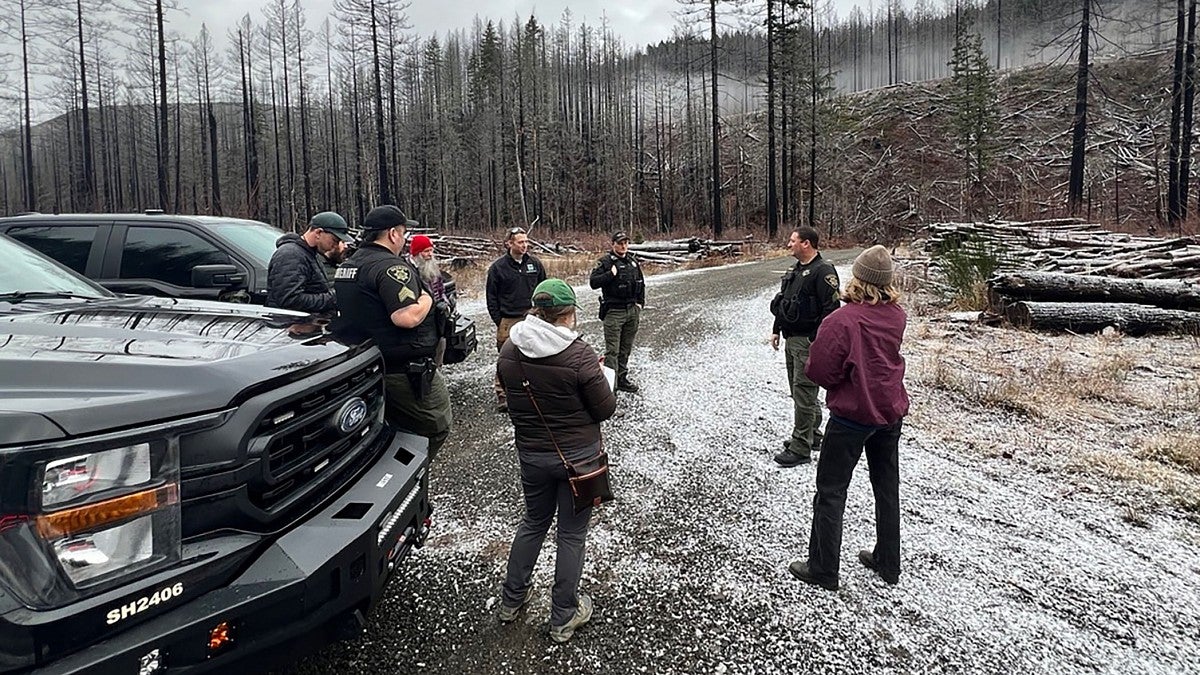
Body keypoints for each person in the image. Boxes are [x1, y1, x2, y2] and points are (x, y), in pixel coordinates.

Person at [495, 278, 617, 643]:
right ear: (566, 314)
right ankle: (563, 616)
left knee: (533, 522)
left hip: (532, 455)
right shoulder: (578, 354)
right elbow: (605, 408)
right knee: (571, 534)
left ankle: (511, 601)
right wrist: (596, 376)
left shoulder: (509, 349)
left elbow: (508, 398)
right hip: (578, 460)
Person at [787, 245, 910, 591]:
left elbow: (820, 370)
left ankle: (823, 568)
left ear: (858, 279)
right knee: (887, 488)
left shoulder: (842, 320)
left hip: (852, 417)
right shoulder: (896, 314)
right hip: (889, 413)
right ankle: (889, 561)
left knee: (831, 491)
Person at [332, 205, 453, 457]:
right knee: (435, 424)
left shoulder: (349, 265)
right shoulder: (391, 267)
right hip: (403, 370)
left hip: (366, 362)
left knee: (389, 427)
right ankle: (409, 476)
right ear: (393, 234)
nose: (405, 238)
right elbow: (406, 317)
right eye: (404, 233)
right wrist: (427, 299)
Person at [769, 226, 841, 467]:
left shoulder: (823, 271)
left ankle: (800, 447)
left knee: (804, 392)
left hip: (808, 341)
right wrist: (776, 329)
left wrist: (818, 341)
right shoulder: (795, 270)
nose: (789, 245)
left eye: (793, 241)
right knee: (799, 391)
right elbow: (783, 303)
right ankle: (813, 434)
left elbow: (831, 312)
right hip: (792, 339)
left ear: (806, 243)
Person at [486, 226, 547, 411]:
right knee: (507, 358)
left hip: (531, 317)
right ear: (509, 244)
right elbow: (491, 297)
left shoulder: (534, 264)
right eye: (520, 242)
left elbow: (543, 288)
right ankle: (503, 395)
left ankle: (534, 392)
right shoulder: (498, 267)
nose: (525, 245)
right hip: (508, 319)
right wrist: (499, 320)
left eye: (526, 241)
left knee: (534, 355)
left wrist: (541, 313)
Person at [588, 231, 646, 393]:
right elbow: (593, 283)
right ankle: (609, 385)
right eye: (620, 243)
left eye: (626, 243)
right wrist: (610, 274)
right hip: (614, 312)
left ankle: (621, 378)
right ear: (613, 244)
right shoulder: (605, 262)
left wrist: (640, 303)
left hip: (631, 310)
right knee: (612, 350)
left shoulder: (632, 262)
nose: (623, 246)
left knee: (625, 347)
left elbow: (641, 283)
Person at [267, 211, 354, 314]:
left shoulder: (309, 254)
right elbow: (289, 300)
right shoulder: (291, 255)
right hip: (291, 326)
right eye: (335, 240)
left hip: (304, 325)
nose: (336, 245)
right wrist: (336, 297)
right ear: (318, 233)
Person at [408, 234, 450, 366]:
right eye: (426, 251)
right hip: (420, 326)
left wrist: (446, 304)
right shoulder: (408, 270)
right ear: (417, 253)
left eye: (431, 250)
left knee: (439, 354)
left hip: (437, 322)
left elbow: (441, 291)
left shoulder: (433, 269)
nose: (430, 254)